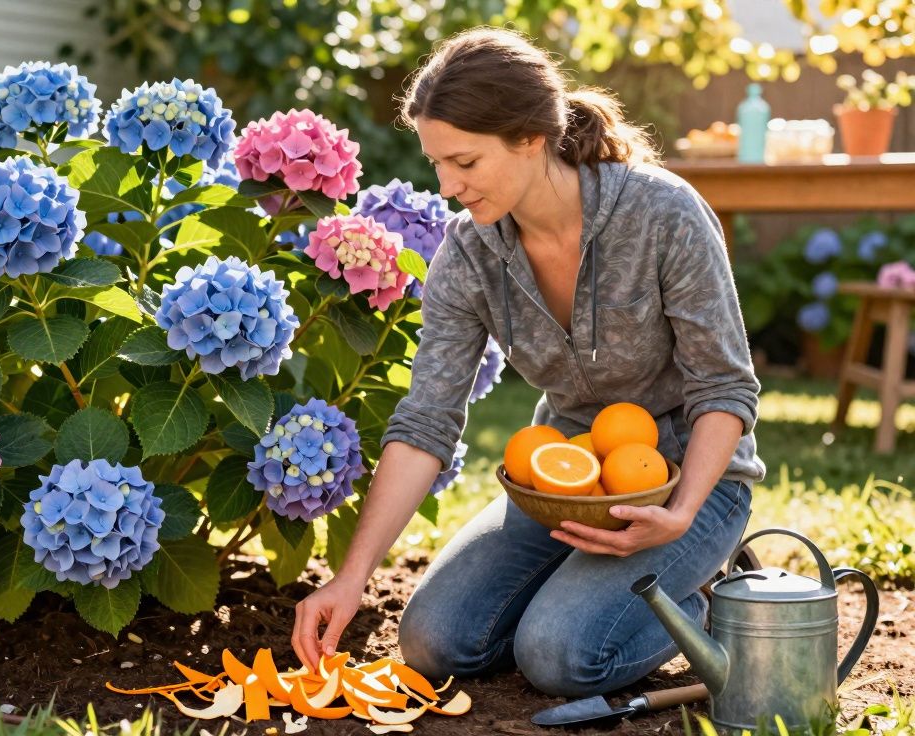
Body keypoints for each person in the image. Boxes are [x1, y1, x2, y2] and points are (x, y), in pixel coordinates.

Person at [290, 26, 767, 698]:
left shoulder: (662, 214)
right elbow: (427, 419)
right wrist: (351, 577)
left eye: (465, 161)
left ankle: (711, 601)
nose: (448, 186)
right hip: (564, 478)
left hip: (689, 480)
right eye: (436, 164)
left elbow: (724, 387)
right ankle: (590, 599)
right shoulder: (468, 253)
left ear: (531, 138)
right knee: (433, 641)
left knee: (561, 657)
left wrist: (682, 511)